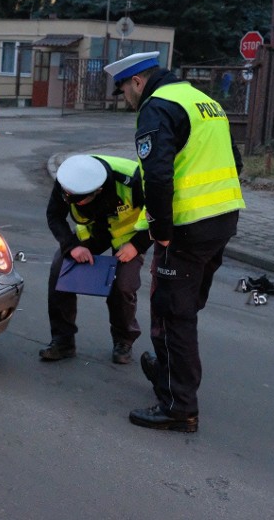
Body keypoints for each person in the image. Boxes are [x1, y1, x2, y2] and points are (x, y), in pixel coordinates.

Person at [104, 52, 245, 432]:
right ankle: (168, 371)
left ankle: (178, 406)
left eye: (123, 90)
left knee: (171, 315)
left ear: (137, 81)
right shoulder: (205, 102)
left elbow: (159, 175)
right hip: (223, 219)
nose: (125, 98)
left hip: (187, 228)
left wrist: (161, 230)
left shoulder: (157, 107)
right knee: (185, 306)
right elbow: (236, 162)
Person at [41, 154, 152, 364]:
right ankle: (62, 341)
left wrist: (136, 246)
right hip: (94, 231)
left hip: (129, 236)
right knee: (59, 271)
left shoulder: (134, 180)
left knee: (123, 285)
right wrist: (71, 247)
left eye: (79, 199)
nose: (71, 199)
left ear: (98, 191)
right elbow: (54, 216)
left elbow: (159, 215)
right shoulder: (68, 180)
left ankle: (123, 341)